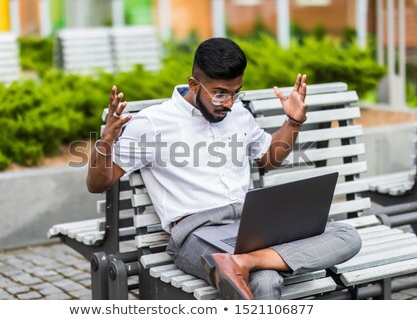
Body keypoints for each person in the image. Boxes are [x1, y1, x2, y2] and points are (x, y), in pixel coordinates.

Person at [86, 38, 362, 300]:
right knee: (265, 279)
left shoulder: (239, 113)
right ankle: (246, 262)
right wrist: (105, 145)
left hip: (251, 225)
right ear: (194, 84)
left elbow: (269, 158)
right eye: (220, 94)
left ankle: (241, 262)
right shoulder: (152, 124)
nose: (229, 103)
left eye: (235, 92)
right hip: (196, 232)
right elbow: (98, 183)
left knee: (346, 235)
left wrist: (293, 123)